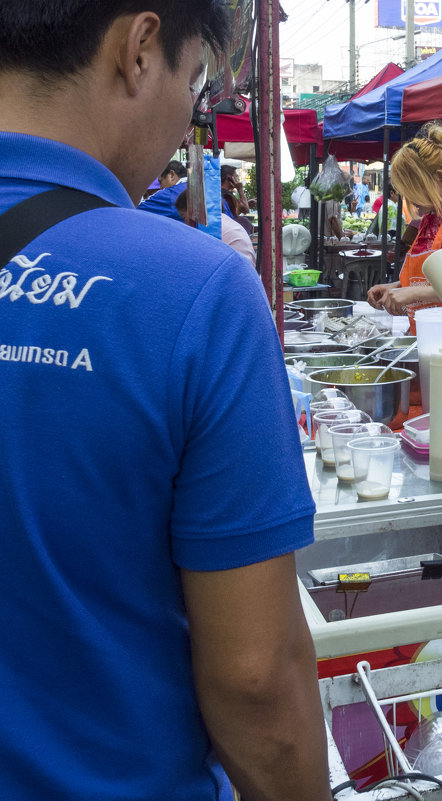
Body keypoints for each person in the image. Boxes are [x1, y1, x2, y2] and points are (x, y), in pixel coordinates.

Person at [0, 5, 331, 801]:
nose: (191, 119)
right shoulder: (193, 289)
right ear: (139, 49)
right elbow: (255, 682)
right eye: (198, 82)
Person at [366, 123, 442, 332]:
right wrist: (395, 288)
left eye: (415, 189)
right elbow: (433, 280)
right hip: (428, 335)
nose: (411, 199)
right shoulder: (429, 219)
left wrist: (412, 294)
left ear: (440, 178)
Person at [175, 186, 255, 266]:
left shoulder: (210, 227)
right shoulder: (221, 220)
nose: (185, 223)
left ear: (193, 211)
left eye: (184, 217)